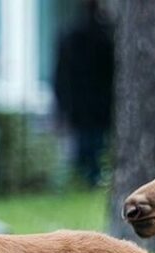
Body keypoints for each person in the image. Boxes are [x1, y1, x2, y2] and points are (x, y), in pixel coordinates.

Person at [53, 0, 114, 186]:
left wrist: (63, 106)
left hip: (80, 108)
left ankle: (87, 178)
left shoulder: (71, 37)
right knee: (94, 147)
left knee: (86, 149)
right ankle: (90, 178)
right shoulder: (104, 37)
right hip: (97, 107)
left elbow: (61, 77)